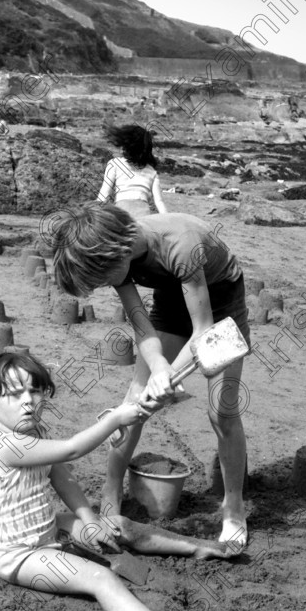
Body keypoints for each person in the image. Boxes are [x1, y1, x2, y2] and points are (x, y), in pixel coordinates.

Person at [0, 351, 229, 611]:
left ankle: (196, 546)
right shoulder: (5, 446)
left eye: (34, 390)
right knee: (101, 578)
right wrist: (116, 418)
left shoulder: (33, 432)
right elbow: (71, 450)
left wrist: (91, 522)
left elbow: (62, 479)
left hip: (45, 526)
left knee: (115, 525)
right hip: (19, 553)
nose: (27, 401)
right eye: (14, 394)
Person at [53, 203, 249, 551]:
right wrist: (160, 368)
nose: (101, 285)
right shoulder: (117, 257)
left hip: (219, 303)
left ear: (119, 251)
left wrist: (171, 376)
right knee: (136, 395)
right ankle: (111, 488)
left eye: (100, 278)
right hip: (172, 299)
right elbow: (142, 325)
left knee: (223, 412)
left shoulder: (181, 245)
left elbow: (203, 331)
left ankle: (234, 509)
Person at [97, 124, 167, 217]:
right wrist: (168, 219)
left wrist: (92, 213)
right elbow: (159, 202)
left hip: (122, 214)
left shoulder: (115, 163)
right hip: (144, 215)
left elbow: (104, 195)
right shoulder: (152, 172)